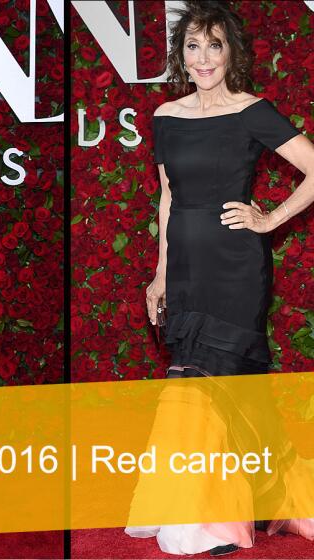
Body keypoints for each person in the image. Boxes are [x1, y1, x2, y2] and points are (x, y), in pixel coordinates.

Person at [133, 1, 314, 554]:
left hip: (236, 267)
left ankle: (213, 519)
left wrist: (268, 219)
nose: (204, 57)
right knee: (209, 388)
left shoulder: (252, 110)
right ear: (180, 55)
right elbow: (167, 200)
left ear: (231, 51)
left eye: (215, 44)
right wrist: (160, 276)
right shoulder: (166, 115)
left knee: (222, 385)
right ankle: (264, 497)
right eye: (193, 45)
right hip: (185, 267)